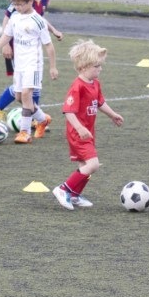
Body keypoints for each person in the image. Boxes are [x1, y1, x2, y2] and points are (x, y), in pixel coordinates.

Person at [52, 39, 124, 210]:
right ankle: (63, 189)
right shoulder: (77, 87)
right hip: (78, 133)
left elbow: (100, 103)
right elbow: (68, 111)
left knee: (84, 166)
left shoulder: (95, 83)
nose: (100, 69)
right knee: (93, 165)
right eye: (96, 66)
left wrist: (113, 115)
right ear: (83, 67)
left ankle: (74, 195)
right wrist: (79, 128)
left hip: (88, 131)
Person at [0, 0, 64, 120]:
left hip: (33, 47)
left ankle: (33, 118)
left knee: (33, 84)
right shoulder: (18, 2)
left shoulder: (43, 0)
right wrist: (7, 45)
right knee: (20, 88)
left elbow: (39, 19)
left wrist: (53, 30)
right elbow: (6, 21)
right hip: (18, 47)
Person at [0, 0, 59, 144]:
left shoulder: (37, 21)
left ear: (30, 1)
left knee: (26, 95)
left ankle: (24, 132)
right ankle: (42, 119)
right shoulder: (15, 17)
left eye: (20, 4)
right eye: (14, 4)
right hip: (20, 64)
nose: (16, 7)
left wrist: (53, 66)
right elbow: (6, 35)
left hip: (33, 64)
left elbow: (49, 46)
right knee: (18, 96)